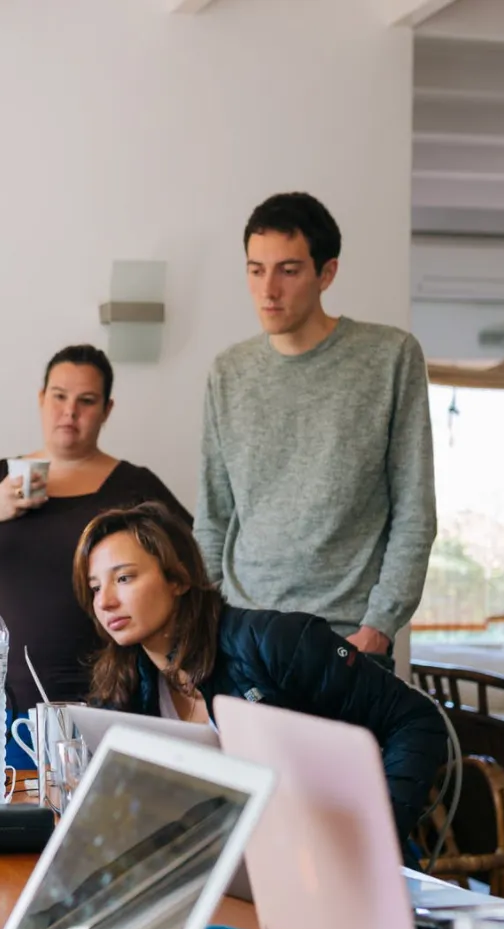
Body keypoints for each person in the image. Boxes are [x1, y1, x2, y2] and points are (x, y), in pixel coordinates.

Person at [75, 503, 447, 845]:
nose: (105, 601)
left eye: (123, 579)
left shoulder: (276, 643)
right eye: (95, 588)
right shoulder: (123, 684)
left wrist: (375, 834)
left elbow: (416, 719)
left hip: (327, 855)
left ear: (179, 579)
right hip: (228, 863)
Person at [196, 192, 435, 667]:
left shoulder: (389, 357)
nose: (268, 290)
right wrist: (208, 620)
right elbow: (213, 515)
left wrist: (379, 627)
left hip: (346, 639)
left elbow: (414, 509)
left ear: (326, 273)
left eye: (288, 270)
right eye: (255, 269)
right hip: (244, 634)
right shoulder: (229, 371)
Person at [0, 345, 189, 735]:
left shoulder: (137, 487)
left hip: (110, 703)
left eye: (86, 401)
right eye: (59, 397)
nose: (70, 412)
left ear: (106, 410)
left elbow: (190, 576)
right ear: (41, 398)